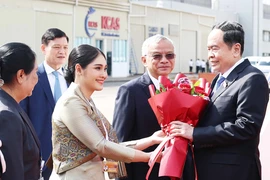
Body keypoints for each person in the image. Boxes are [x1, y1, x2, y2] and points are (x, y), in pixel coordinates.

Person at [49, 44, 169, 180]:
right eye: (98, 68)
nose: (104, 75)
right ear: (78, 69)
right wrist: (148, 157)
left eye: (105, 69)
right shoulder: (71, 103)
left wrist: (151, 140)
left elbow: (110, 146)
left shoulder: (85, 100)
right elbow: (101, 146)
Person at [169, 21, 269, 180]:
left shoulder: (252, 78)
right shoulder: (219, 79)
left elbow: (246, 127)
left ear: (236, 49)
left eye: (215, 48)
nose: (210, 55)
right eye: (208, 49)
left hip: (234, 172)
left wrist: (195, 133)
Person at [112, 34, 175, 180]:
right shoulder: (130, 91)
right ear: (144, 60)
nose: (164, 60)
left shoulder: (180, 89)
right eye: (157, 56)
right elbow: (120, 143)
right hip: (144, 173)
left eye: (169, 55)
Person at [20, 28, 69, 179]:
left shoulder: (70, 78)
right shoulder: (32, 77)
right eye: (56, 47)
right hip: (39, 156)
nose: (62, 51)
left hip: (68, 158)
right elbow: (22, 117)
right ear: (43, 48)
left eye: (65, 47)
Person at [0, 42, 42, 179]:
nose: (37, 78)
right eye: (35, 72)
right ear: (21, 75)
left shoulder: (10, 105)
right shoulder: (7, 116)